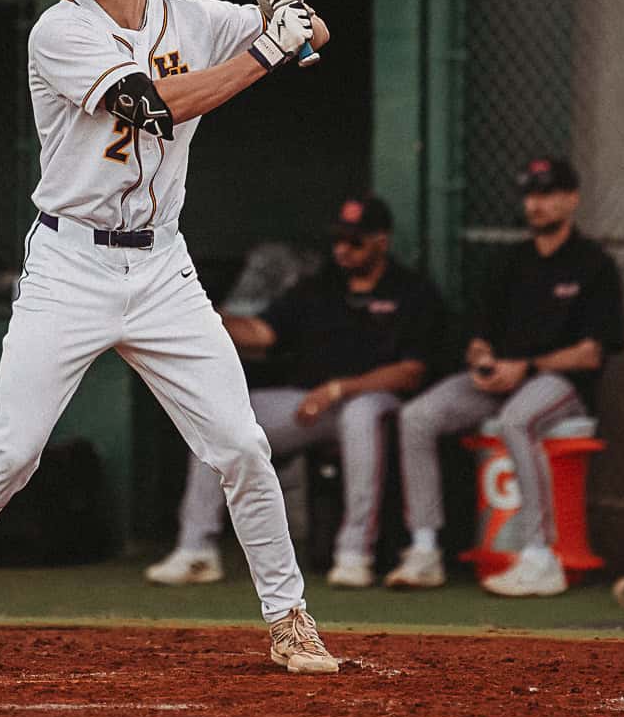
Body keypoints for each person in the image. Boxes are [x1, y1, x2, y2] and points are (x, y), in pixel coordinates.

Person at [0, 0, 342, 676]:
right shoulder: (60, 30)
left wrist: (288, 7)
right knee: (15, 449)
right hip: (70, 264)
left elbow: (314, 40)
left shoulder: (192, 18)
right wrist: (270, 47)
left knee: (241, 443)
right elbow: (155, 105)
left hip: (163, 266)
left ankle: (291, 618)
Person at [144, 194, 445, 590]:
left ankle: (355, 553)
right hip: (311, 406)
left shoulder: (410, 290)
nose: (343, 249)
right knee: (216, 419)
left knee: (360, 415)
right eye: (338, 239)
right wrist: (201, 314)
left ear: (381, 241)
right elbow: (263, 334)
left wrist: (339, 389)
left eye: (355, 241)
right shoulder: (319, 286)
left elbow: (410, 373)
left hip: (373, 404)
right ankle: (197, 549)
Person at [384, 155, 624, 597]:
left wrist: (528, 367)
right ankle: (424, 549)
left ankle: (541, 556)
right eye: (531, 195)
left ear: (571, 199)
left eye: (548, 194)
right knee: (416, 416)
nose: (537, 205)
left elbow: (592, 353)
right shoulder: (509, 262)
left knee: (517, 419)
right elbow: (478, 332)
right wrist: (481, 358)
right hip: (500, 381)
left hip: (561, 385)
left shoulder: (594, 265)